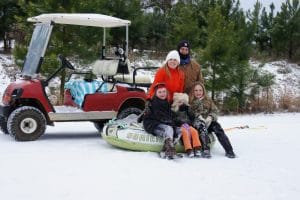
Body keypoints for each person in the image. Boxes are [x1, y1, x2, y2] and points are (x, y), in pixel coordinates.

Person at [189, 82, 236, 158]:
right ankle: (206, 149)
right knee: (201, 126)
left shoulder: (208, 101)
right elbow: (190, 112)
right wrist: (198, 116)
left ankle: (229, 150)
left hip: (209, 122)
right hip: (197, 123)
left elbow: (215, 110)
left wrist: (210, 117)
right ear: (193, 92)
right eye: (196, 90)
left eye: (200, 90)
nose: (198, 92)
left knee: (217, 128)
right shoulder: (191, 102)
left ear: (203, 91)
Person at [143, 83, 181, 159]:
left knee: (179, 130)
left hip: (162, 123)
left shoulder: (166, 103)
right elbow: (160, 117)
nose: (162, 94)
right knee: (168, 129)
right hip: (153, 124)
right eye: (159, 92)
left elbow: (169, 117)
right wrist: (171, 124)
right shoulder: (154, 103)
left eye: (164, 92)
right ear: (156, 93)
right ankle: (169, 150)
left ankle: (165, 150)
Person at [171, 92, 201, 158]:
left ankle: (197, 147)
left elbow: (192, 118)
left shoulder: (187, 109)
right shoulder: (173, 110)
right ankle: (188, 149)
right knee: (184, 132)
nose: (180, 103)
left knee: (194, 131)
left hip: (188, 125)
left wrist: (189, 110)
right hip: (179, 126)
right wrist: (179, 123)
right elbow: (173, 120)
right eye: (179, 101)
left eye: (182, 101)